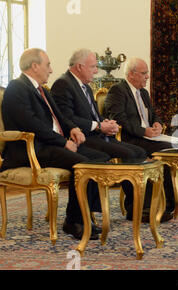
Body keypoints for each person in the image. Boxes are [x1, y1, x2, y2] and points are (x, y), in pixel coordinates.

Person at [50, 49, 172, 223]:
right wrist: (99, 126)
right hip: (84, 139)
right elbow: (67, 118)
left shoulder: (82, 84)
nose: (96, 71)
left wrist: (106, 124)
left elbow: (93, 116)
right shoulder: (64, 84)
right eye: (93, 67)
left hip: (97, 136)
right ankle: (138, 209)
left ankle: (141, 206)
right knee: (130, 154)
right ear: (79, 67)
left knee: (138, 152)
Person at [1, 48, 110, 240]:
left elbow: (59, 116)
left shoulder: (41, 89)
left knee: (99, 158)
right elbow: (31, 124)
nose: (51, 70)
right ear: (34, 66)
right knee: (84, 164)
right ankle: (74, 220)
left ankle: (86, 213)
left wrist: (73, 129)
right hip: (33, 150)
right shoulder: (16, 88)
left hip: (51, 145)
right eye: (48, 65)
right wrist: (63, 142)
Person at [103, 57, 178, 213]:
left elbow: (153, 115)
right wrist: (143, 131)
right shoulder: (118, 91)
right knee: (169, 149)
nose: (147, 76)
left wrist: (158, 124)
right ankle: (173, 198)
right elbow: (119, 119)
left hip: (149, 137)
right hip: (132, 139)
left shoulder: (144, 93)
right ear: (131, 74)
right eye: (144, 73)